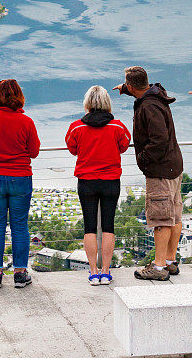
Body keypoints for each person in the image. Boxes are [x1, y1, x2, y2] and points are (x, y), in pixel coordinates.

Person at [113, 66, 183, 281]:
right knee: (174, 214)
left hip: (159, 170)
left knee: (162, 219)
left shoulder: (149, 107)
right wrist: (126, 89)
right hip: (173, 165)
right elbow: (139, 88)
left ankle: (159, 267)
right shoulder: (155, 95)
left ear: (132, 85)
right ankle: (170, 261)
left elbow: (159, 141)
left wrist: (142, 158)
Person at [0, 78, 40, 289]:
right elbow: (34, 152)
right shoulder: (26, 122)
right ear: (19, 97)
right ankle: (20, 274)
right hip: (20, 178)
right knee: (20, 226)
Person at [65, 85, 131, 285]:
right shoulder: (118, 127)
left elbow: (72, 148)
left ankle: (93, 272)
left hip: (86, 181)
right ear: (106, 103)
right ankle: (105, 271)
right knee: (108, 226)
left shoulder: (76, 127)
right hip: (111, 180)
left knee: (90, 228)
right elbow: (124, 145)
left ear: (87, 104)